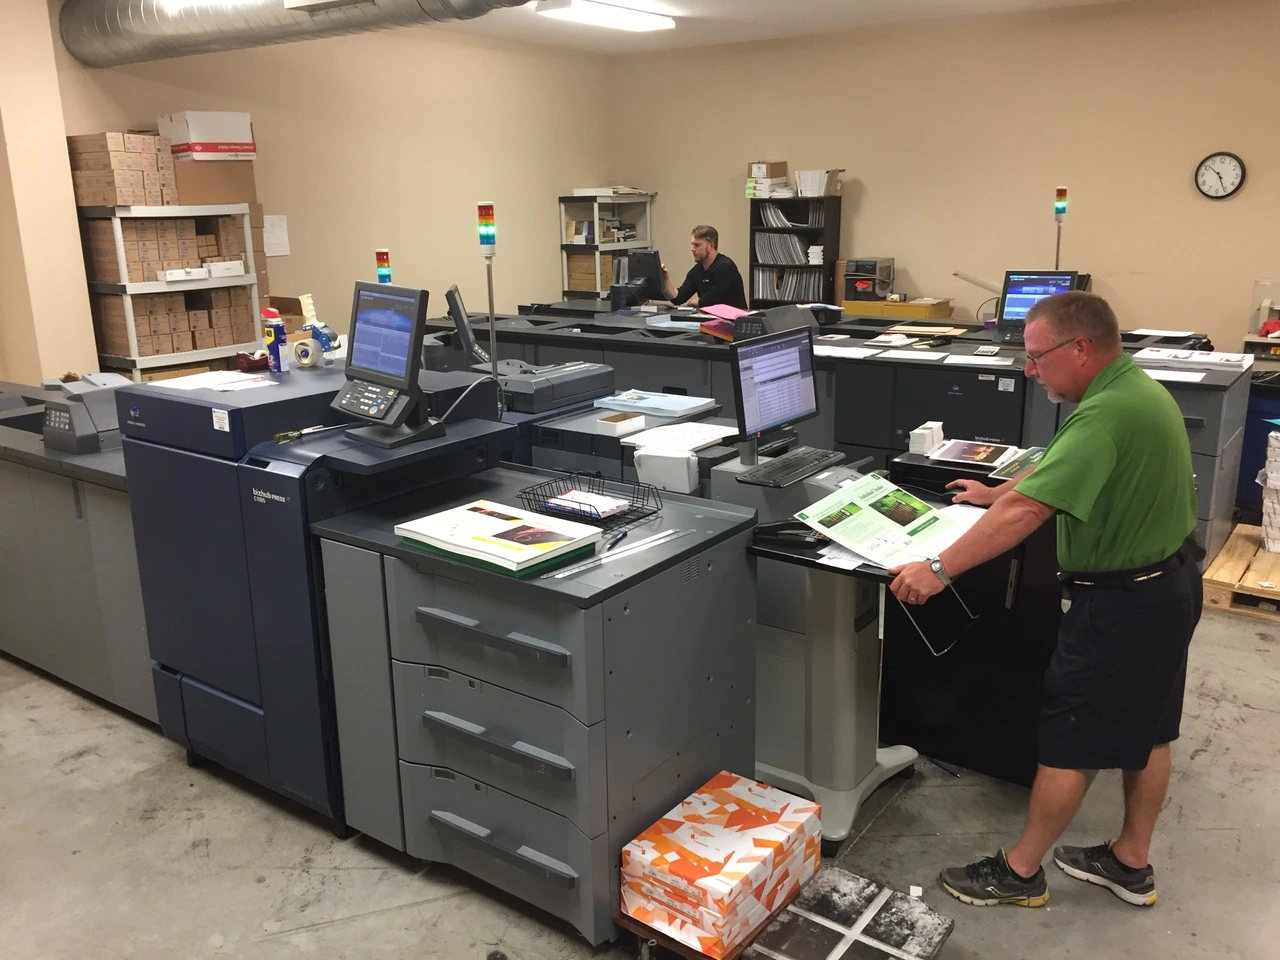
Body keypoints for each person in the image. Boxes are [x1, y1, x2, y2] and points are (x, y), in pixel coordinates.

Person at [887, 291, 1202, 910]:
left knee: (1068, 741)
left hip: (1123, 607)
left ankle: (1020, 872)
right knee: (1150, 730)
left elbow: (1028, 513)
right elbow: (1055, 466)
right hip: (1168, 587)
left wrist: (938, 569)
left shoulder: (1104, 414)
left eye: (1037, 357)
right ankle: (1130, 862)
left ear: (1080, 347)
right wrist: (995, 491)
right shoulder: (1131, 390)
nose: (1030, 371)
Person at [662, 225, 747, 310]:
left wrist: (693, 302)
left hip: (733, 317)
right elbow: (678, 298)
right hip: (711, 316)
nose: (692, 249)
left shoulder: (726, 267)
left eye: (696, 245)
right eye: (692, 244)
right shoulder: (698, 269)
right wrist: (665, 279)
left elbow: (710, 301)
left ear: (710, 246)